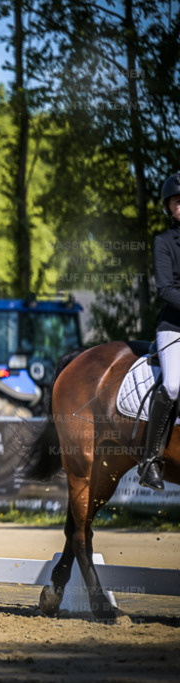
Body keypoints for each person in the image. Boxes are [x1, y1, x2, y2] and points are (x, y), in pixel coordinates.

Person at [142, 171, 180, 489]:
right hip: (174, 327)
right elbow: (165, 289)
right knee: (174, 383)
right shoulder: (164, 242)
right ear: (169, 208)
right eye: (177, 202)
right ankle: (150, 460)